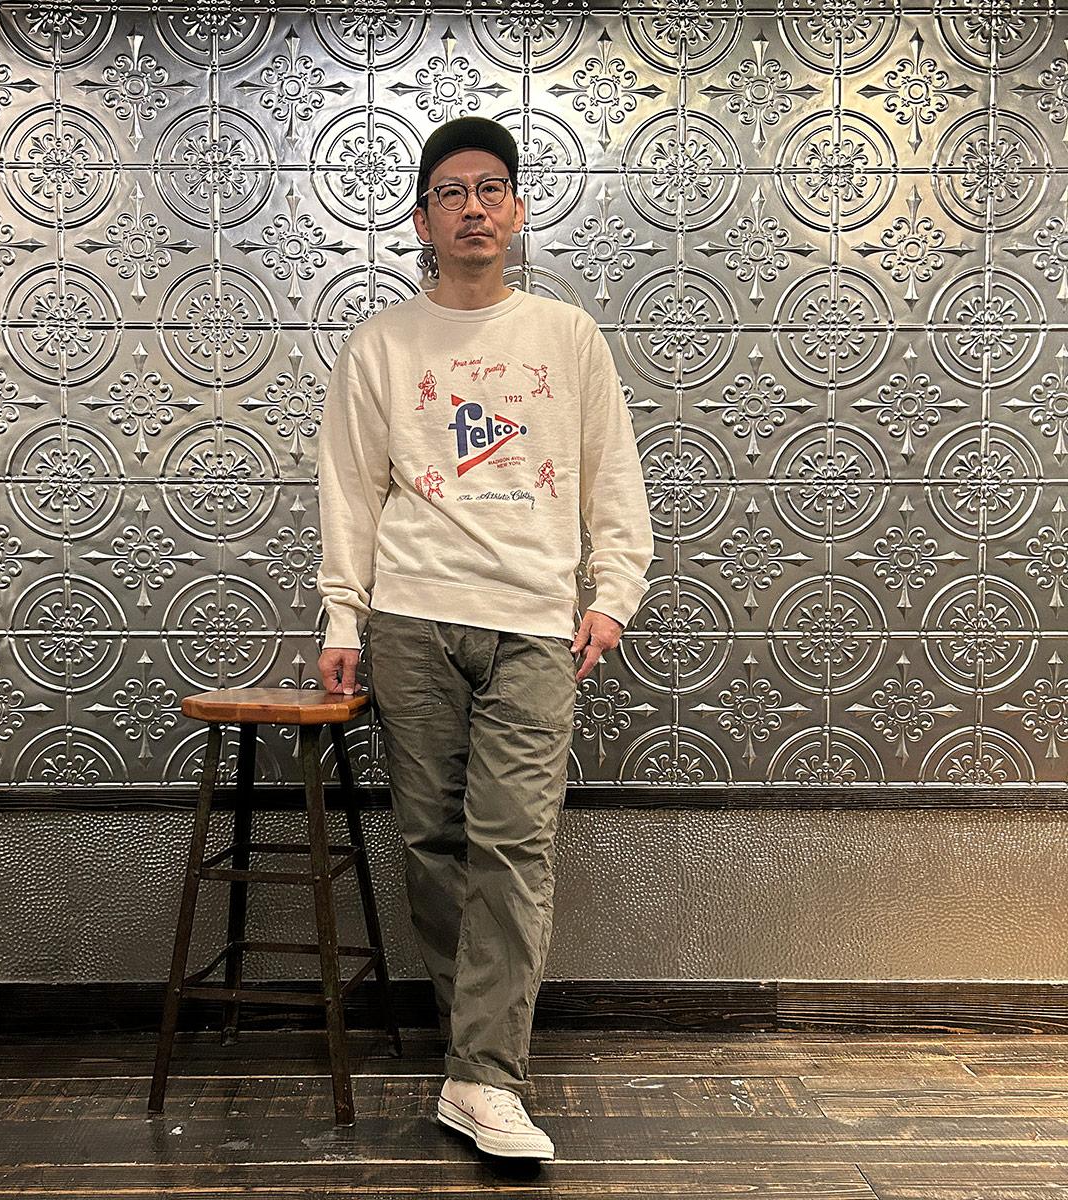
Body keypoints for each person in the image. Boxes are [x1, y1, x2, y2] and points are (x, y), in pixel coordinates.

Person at [315, 116, 653, 1162]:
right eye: (451, 192)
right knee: (430, 842)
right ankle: (472, 1054)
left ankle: (485, 1077)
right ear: (422, 220)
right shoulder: (382, 343)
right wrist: (343, 613)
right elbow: (350, 487)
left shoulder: (567, 336)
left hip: (535, 625)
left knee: (515, 843)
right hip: (412, 618)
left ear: (516, 210)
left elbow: (611, 469)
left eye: (491, 188)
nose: (473, 206)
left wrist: (614, 592)